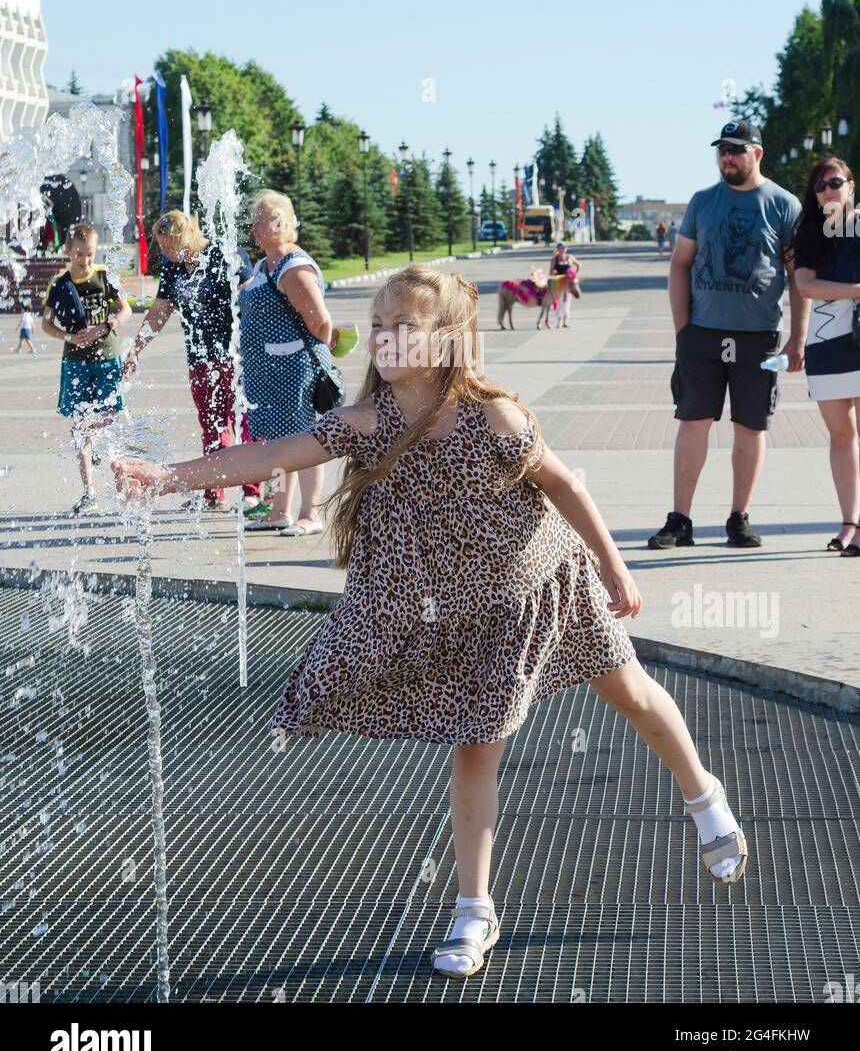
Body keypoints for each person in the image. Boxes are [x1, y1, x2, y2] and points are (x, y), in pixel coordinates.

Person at [114, 263, 749, 983]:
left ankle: (703, 793)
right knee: (477, 740)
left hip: (543, 583)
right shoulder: (369, 422)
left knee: (628, 693)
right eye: (378, 325)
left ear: (446, 340)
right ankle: (474, 909)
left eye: (402, 326)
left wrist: (614, 566)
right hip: (470, 611)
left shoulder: (496, 418)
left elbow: (565, 485)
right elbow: (265, 455)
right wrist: (166, 477)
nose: (383, 337)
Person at [648, 120, 809, 550]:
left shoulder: (784, 205)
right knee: (693, 422)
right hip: (702, 333)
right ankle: (680, 519)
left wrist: (797, 336)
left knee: (750, 426)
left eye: (737, 150)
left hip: (759, 336)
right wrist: (683, 327)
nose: (727, 157)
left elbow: (798, 276)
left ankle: (739, 518)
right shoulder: (703, 202)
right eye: (722, 150)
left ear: (757, 153)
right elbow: (681, 263)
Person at [122, 210, 264, 516]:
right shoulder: (174, 269)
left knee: (242, 422)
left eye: (168, 246)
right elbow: (159, 312)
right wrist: (135, 349)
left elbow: (253, 293)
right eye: (161, 247)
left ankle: (252, 492)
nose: (164, 252)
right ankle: (214, 492)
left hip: (234, 354)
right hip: (199, 357)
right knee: (211, 425)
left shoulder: (223, 254)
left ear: (184, 237)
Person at [238, 190, 334, 534]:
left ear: (278, 222)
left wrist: (295, 349)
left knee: (305, 442)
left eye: (258, 219)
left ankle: (311, 513)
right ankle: (280, 510)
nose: (253, 226)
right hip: (269, 372)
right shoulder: (266, 264)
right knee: (277, 443)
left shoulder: (294, 267)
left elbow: (321, 323)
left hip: (295, 372)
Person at [791, 158, 860, 556]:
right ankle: (848, 520)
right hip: (827, 345)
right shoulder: (811, 231)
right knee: (840, 436)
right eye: (820, 186)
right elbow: (805, 285)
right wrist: (856, 290)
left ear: (851, 185)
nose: (828, 191)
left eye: (835, 182)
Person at [42, 222, 132, 514]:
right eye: (79, 254)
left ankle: (91, 438)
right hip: (76, 361)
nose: (85, 261)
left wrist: (108, 325)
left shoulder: (103, 278)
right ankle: (89, 492)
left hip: (107, 356)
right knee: (78, 425)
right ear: (68, 251)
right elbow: (45, 323)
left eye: (90, 254)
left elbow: (125, 309)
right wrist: (68, 336)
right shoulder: (59, 284)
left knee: (111, 415)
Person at [549, 242, 582, 327]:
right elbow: (550, 272)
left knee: (567, 301)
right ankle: (559, 321)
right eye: (561, 248)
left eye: (564, 248)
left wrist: (574, 274)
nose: (563, 249)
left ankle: (565, 321)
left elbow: (578, 265)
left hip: (568, 283)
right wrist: (554, 272)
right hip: (557, 283)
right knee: (558, 301)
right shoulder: (554, 259)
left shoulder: (570, 257)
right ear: (557, 249)